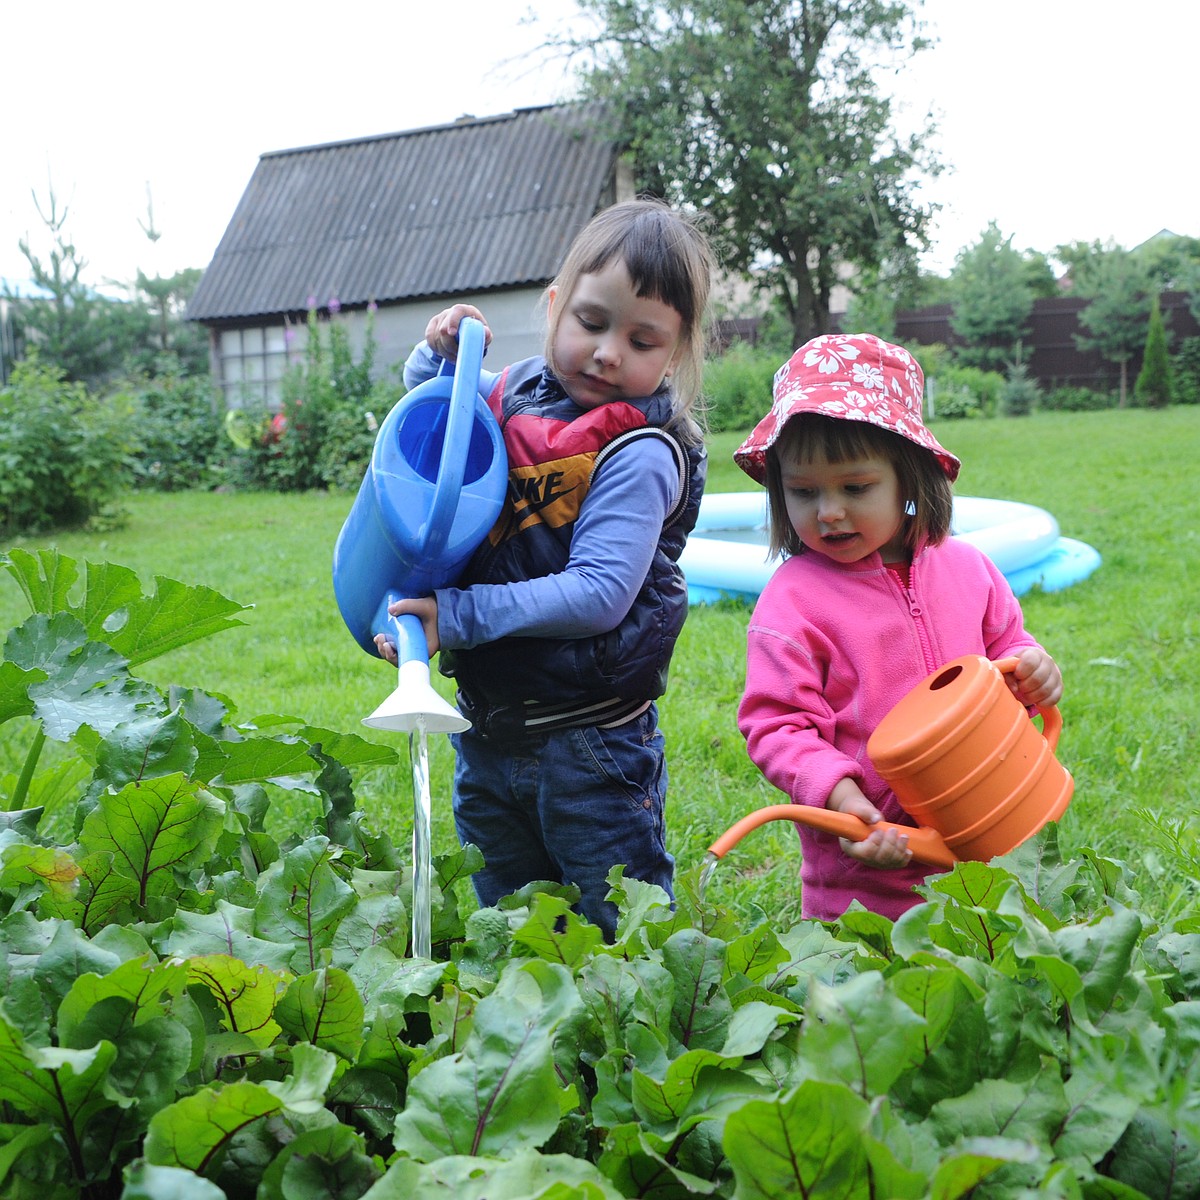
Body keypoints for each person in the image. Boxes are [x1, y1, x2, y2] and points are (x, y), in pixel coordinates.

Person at [375, 198, 715, 939]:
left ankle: (636, 1047)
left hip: (590, 747)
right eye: (592, 323)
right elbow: (439, 414)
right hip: (489, 731)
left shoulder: (640, 452)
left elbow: (598, 595)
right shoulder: (516, 395)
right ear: (555, 307)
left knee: (619, 927)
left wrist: (458, 615)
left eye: (642, 340)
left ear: (676, 353)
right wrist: (438, 355)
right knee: (514, 924)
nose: (608, 353)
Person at [734, 332, 1063, 922]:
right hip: (867, 870)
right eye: (803, 492)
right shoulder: (793, 605)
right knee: (867, 1002)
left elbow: (1007, 650)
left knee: (982, 982)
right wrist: (841, 797)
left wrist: (1032, 669)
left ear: (909, 477)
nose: (828, 511)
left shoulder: (969, 570)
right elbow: (777, 725)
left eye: (855, 488)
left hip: (988, 849)